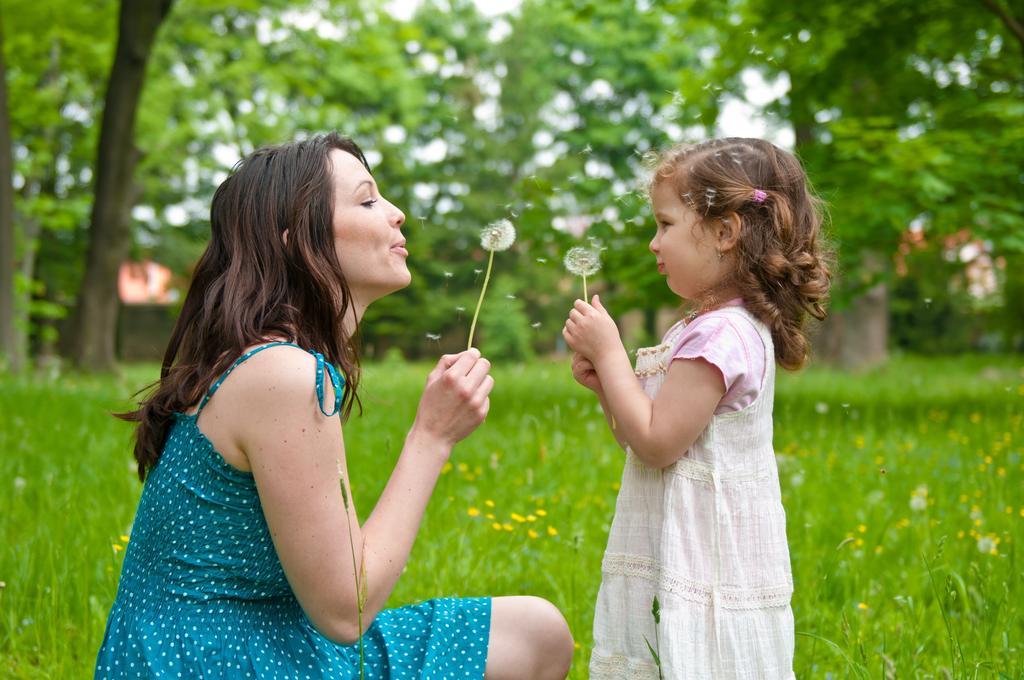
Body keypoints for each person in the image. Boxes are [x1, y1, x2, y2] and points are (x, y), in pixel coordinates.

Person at [95, 132, 574, 679]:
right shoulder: (282, 374)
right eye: (368, 200)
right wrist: (432, 436)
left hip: (253, 638)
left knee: (536, 634)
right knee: (534, 635)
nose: (396, 214)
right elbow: (348, 610)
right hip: (218, 660)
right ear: (298, 239)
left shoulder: (260, 362)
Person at [562, 137, 832, 679]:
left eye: (664, 224)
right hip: (688, 544)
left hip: (709, 555)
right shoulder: (700, 327)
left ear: (724, 232)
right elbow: (642, 438)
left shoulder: (722, 335)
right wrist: (606, 387)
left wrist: (613, 352)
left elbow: (659, 443)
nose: (652, 243)